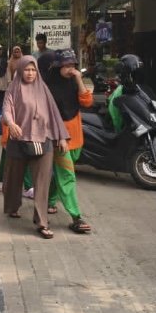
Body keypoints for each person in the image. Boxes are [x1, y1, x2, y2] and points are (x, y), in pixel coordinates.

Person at [1, 55, 70, 240]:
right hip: (19, 141)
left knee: (42, 183)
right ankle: (12, 206)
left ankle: (41, 222)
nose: (30, 73)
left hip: (43, 140)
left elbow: (54, 113)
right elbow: (7, 108)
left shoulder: (43, 89)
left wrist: (61, 137)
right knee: (13, 177)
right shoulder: (14, 87)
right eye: (27, 69)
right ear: (20, 70)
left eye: (33, 70)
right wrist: (11, 123)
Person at [41, 48, 93, 234]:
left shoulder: (74, 82)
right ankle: (76, 217)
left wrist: (79, 79)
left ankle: (50, 201)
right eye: (66, 66)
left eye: (73, 65)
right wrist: (58, 137)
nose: (70, 69)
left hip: (76, 137)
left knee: (61, 173)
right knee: (68, 175)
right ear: (57, 66)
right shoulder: (48, 87)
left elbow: (87, 102)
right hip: (59, 139)